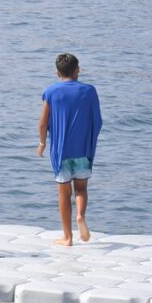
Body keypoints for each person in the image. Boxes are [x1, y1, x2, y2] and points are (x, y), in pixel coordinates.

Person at [37, 53, 102, 247]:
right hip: (83, 149)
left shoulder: (50, 92)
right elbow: (97, 121)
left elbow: (43, 123)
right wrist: (90, 141)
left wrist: (42, 143)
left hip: (61, 151)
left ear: (57, 73)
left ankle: (67, 237)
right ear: (78, 69)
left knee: (64, 194)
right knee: (81, 189)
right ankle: (80, 216)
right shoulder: (89, 91)